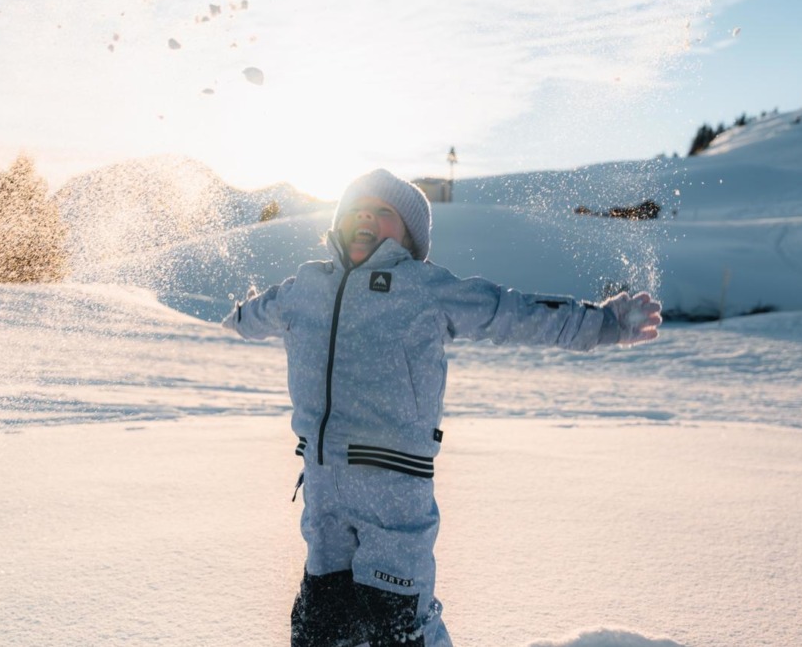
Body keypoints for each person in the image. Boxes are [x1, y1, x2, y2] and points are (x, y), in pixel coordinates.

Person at [223, 169, 662, 647]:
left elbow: (510, 311)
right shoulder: (305, 284)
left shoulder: (423, 287)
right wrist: (223, 321)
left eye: (383, 212)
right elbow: (249, 317)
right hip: (323, 488)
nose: (365, 216)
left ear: (410, 237)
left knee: (399, 626)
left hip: (394, 490)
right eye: (355, 209)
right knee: (318, 625)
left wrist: (603, 324)